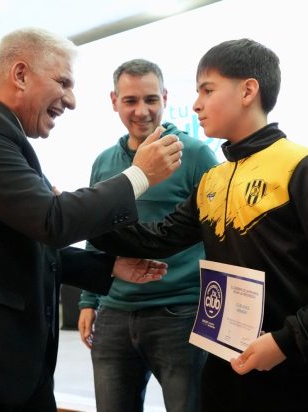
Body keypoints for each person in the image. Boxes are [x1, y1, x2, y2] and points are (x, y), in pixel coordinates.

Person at [0, 27, 184, 412]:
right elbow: (52, 221)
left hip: (4, 372)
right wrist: (139, 175)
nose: (72, 100)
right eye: (63, 82)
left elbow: (26, 242)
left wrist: (111, 266)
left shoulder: (4, 139)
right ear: (20, 74)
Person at [89, 39, 308, 412]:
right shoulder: (214, 179)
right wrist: (82, 215)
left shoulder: (302, 166)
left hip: (301, 368)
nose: (196, 104)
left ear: (247, 91)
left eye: (207, 90)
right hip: (227, 361)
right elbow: (154, 239)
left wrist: (287, 341)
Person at [78, 59, 218, 412]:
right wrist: (88, 300)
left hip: (182, 313)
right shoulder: (104, 162)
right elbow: (96, 232)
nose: (142, 111)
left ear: (165, 98)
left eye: (151, 99)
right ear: (114, 101)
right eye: (130, 100)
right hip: (114, 314)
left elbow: (220, 232)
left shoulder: (195, 154)